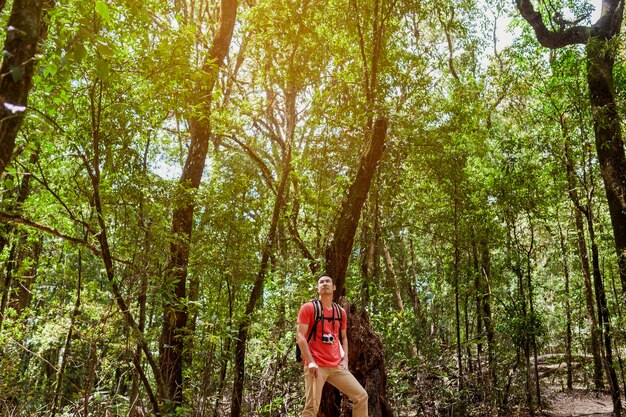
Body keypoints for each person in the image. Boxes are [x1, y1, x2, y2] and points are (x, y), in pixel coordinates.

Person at [296, 275, 368, 416]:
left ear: (334, 287)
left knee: (361, 396)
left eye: (328, 281)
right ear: (317, 288)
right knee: (311, 408)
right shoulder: (308, 308)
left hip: (336, 366)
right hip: (315, 366)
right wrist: (310, 362)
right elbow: (300, 336)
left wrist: (345, 360)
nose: (325, 284)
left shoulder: (340, 312)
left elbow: (343, 337)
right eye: (321, 282)